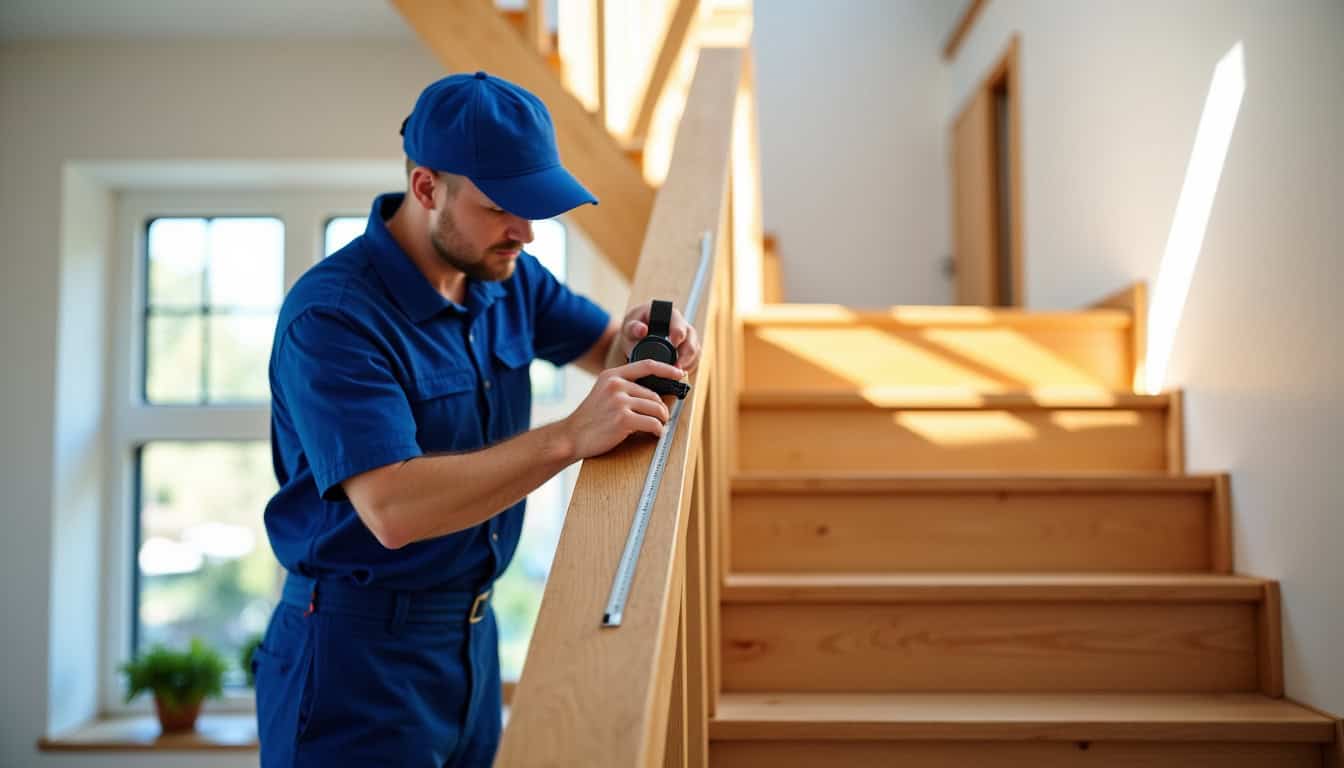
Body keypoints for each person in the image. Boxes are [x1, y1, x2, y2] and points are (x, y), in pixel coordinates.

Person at [252, 70, 700, 767]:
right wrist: (567, 439)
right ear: (427, 188)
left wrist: (644, 339)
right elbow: (393, 510)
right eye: (502, 207)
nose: (525, 230)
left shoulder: (505, 272)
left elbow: (601, 346)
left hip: (472, 640)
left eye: (535, 206)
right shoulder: (334, 317)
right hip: (354, 659)